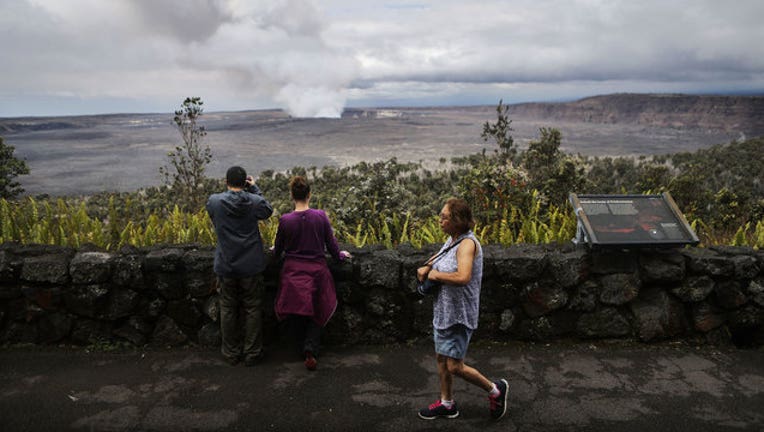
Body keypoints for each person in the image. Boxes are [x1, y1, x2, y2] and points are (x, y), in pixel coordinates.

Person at [416, 197, 508, 420]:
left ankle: (495, 390)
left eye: (444, 217)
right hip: (444, 312)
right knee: (441, 359)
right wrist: (427, 267)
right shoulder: (452, 240)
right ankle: (447, 404)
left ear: (457, 220)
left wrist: (435, 275)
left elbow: (463, 276)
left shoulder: (467, 244)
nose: (440, 221)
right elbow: (438, 259)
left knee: (455, 366)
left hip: (459, 314)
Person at [272, 175, 351, 371]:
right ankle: (311, 348)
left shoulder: (286, 220)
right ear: (309, 194)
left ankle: (302, 347)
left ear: (292, 195)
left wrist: (272, 253)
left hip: (292, 273)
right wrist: (341, 256)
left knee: (297, 309)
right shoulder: (320, 216)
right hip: (317, 272)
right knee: (318, 308)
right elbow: (332, 247)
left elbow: (278, 250)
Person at [206, 166, 274, 366]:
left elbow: (212, 215)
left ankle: (230, 352)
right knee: (252, 308)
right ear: (245, 182)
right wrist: (254, 189)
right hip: (251, 265)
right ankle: (252, 353)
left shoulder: (215, 202)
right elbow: (267, 210)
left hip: (226, 264)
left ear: (226, 181)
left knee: (227, 307)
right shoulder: (253, 202)